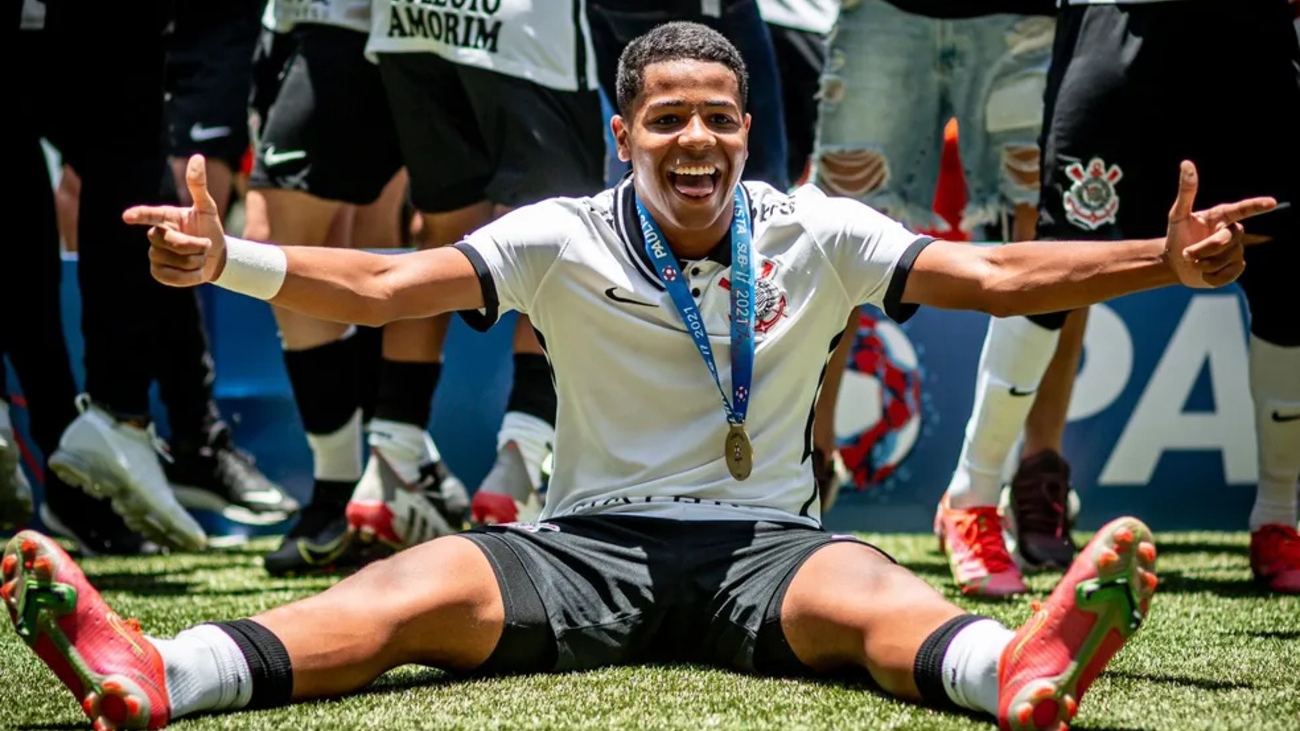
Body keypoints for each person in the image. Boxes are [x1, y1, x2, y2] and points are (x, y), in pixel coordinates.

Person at [3, 22, 1271, 731]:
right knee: (405, 588)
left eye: (719, 115)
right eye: (668, 119)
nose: (698, 139)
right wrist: (227, 261)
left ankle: (1019, 669)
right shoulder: (561, 231)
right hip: (578, 545)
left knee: (875, 596)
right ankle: (164, 670)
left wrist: (1157, 258)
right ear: (627, 137)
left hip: (768, 544)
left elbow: (995, 279)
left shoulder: (814, 226)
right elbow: (386, 287)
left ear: (745, 128)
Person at [1027, 0, 1300, 594]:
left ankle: (1281, 515)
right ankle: (972, 495)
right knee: (1059, 251)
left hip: (1254, 31)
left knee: (1285, 261)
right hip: (1120, 17)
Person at [243, 0, 457, 576]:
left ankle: (370, 474)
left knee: (354, 239)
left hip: (420, 29)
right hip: (318, 24)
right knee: (319, 242)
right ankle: (364, 480)